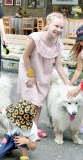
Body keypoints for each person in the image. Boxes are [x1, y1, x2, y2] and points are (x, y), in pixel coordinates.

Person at [17, 12, 70, 140]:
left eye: (61, 27)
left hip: (43, 73)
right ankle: (24, 129)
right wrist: (30, 75)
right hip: (28, 69)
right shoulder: (36, 38)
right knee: (31, 101)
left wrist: (67, 83)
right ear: (48, 24)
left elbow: (58, 65)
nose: (58, 30)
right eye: (56, 26)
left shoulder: (58, 44)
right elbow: (25, 56)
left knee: (39, 102)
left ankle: (34, 128)